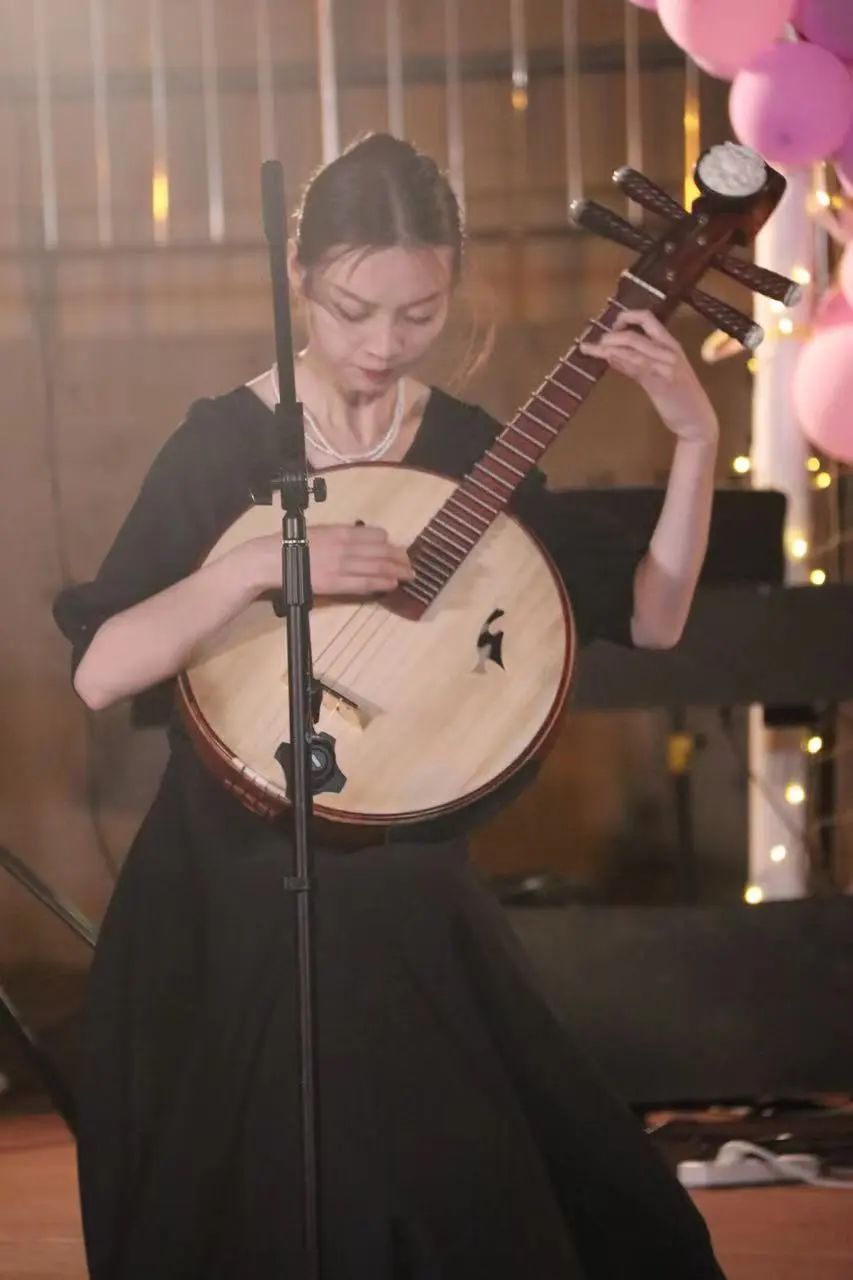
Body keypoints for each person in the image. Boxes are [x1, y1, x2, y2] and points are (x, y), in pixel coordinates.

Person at [55, 133, 725, 1279]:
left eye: (418, 314)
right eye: (352, 309)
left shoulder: (466, 447)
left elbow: (652, 616)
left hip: (400, 866)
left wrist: (694, 437)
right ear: (297, 278)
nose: (381, 344)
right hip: (227, 873)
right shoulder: (222, 443)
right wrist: (257, 564)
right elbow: (101, 669)